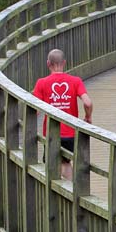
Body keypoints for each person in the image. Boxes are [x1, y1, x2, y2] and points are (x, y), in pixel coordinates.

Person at [32, 49, 93, 181]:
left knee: (51, 164)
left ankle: (56, 194)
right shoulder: (75, 81)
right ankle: (71, 191)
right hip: (70, 132)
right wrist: (88, 117)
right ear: (64, 63)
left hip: (50, 133)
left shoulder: (41, 83)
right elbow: (87, 103)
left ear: (48, 64)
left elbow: (34, 110)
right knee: (66, 163)